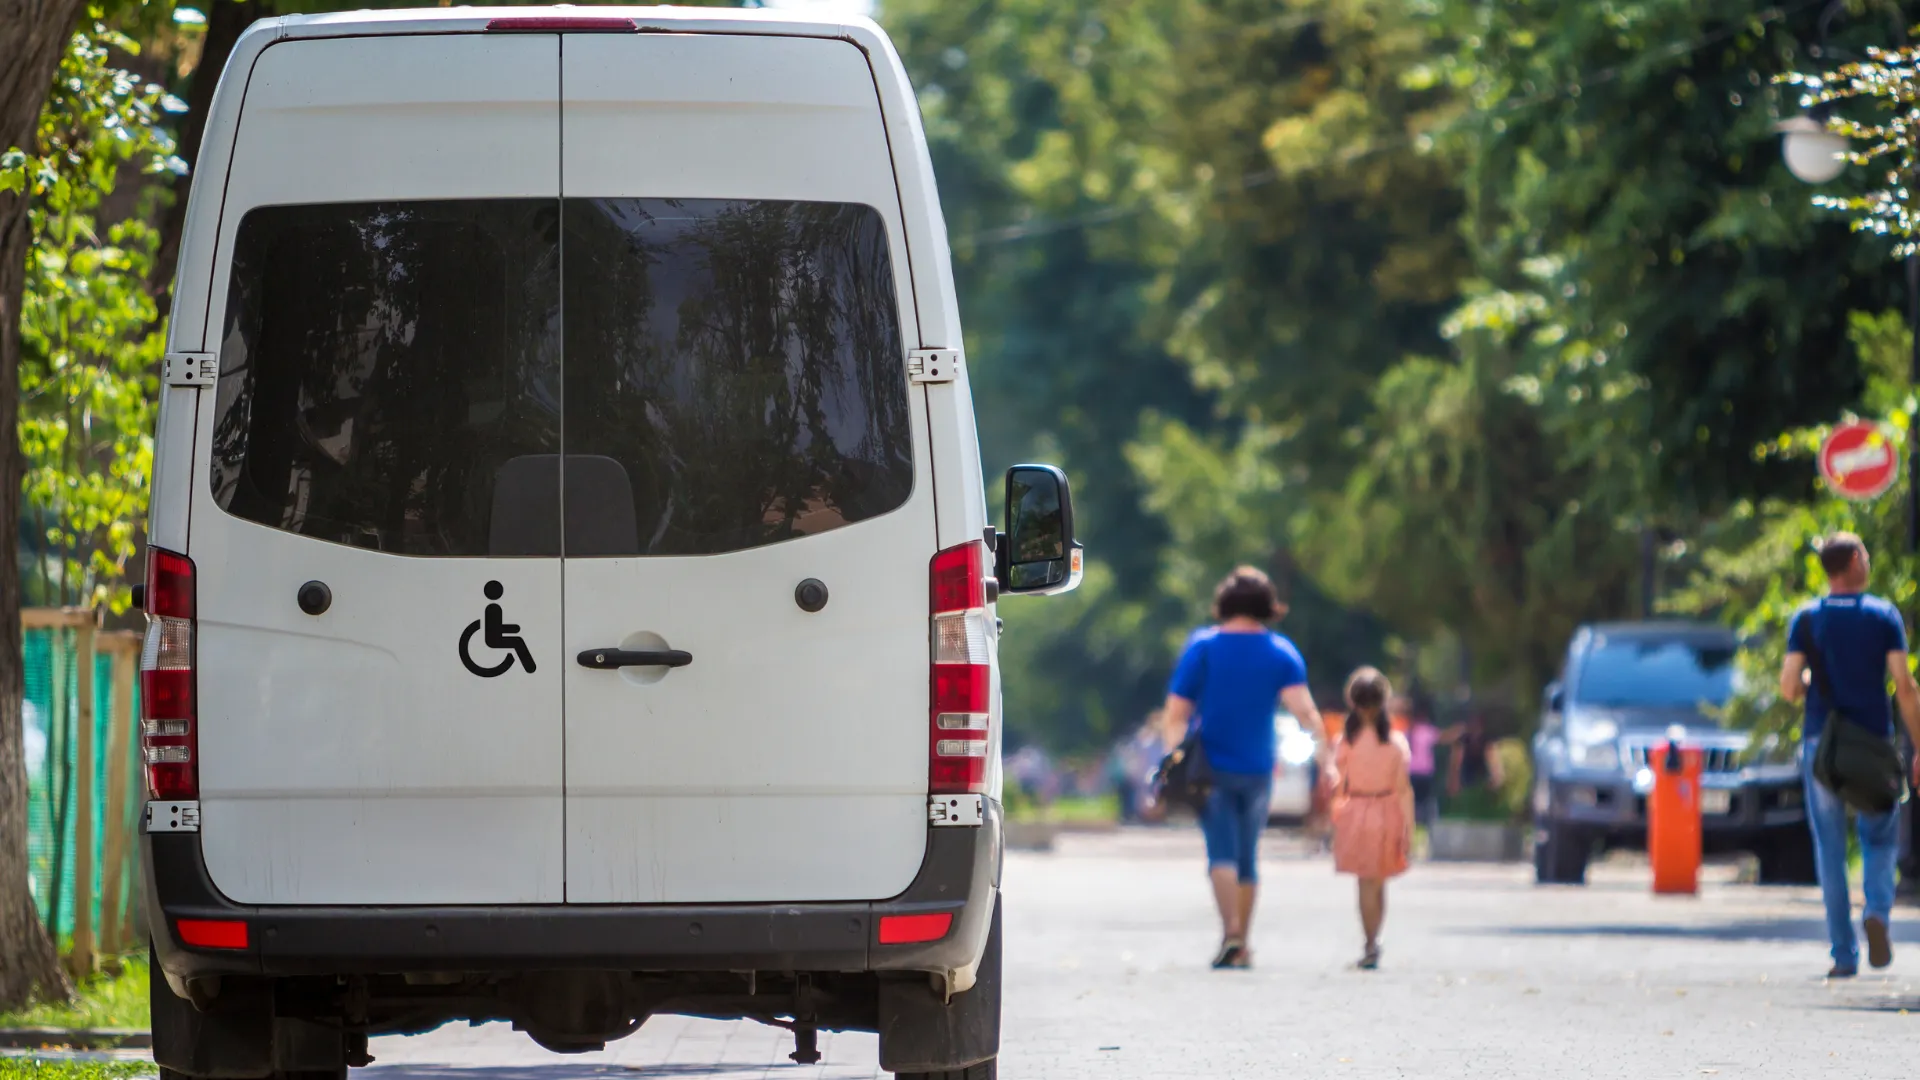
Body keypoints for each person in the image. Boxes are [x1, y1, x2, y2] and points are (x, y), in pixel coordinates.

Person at [1159, 566, 1329, 969]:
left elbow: (1175, 715)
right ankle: (1243, 940)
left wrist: (1174, 757)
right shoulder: (1281, 652)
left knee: (1221, 852)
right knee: (1248, 855)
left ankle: (1231, 933)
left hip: (1210, 768)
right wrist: (1327, 758)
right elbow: (1305, 713)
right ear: (1267, 605)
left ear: (1225, 602)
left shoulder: (1202, 648)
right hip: (1258, 769)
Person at [1778, 532, 1920, 978]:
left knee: (1830, 849)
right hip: (1874, 746)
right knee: (1879, 837)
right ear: (1856, 560)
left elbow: (1788, 687)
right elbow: (1905, 687)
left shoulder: (1806, 618)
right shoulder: (1883, 616)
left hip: (1823, 746)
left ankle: (1843, 953)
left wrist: (1804, 680)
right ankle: (1876, 911)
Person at [1332, 667, 1413, 970]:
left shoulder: (1346, 741)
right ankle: (1373, 940)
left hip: (1356, 810)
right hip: (1387, 809)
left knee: (1365, 883)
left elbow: (1337, 782)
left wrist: (1333, 817)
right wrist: (1409, 827)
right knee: (1379, 883)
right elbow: (1404, 790)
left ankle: (1370, 942)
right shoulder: (1394, 742)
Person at [1399, 696, 1441, 832]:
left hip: (1412, 771)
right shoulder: (1427, 730)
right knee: (1427, 803)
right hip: (1426, 773)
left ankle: (1411, 826)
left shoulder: (1409, 731)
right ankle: (1426, 827)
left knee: (1412, 802)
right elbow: (1441, 737)